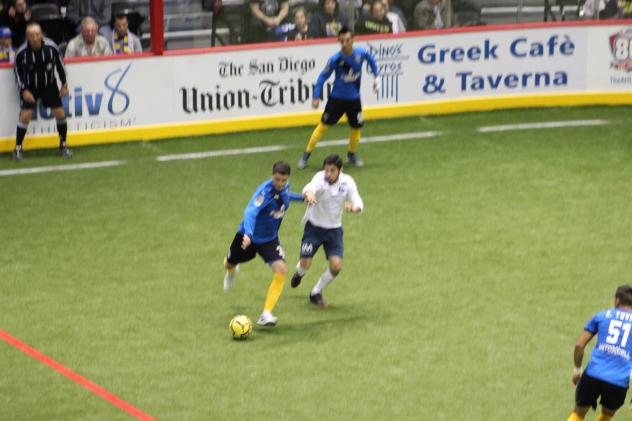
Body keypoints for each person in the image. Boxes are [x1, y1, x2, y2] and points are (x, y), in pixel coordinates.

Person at [223, 161, 304, 327]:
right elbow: (250, 212)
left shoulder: (285, 187)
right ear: (272, 175)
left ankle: (266, 314)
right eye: (277, 180)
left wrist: (303, 198)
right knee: (229, 262)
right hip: (247, 237)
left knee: (281, 269)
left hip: (269, 239)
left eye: (283, 180)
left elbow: (287, 195)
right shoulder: (264, 193)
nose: (280, 183)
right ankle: (232, 271)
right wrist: (248, 234)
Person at [297, 26, 380, 169]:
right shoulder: (335, 59)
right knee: (323, 126)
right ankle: (305, 156)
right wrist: (316, 96)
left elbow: (371, 61)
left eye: (347, 40)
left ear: (353, 40)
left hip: (354, 99)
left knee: (356, 128)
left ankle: (352, 154)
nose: (345, 44)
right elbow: (322, 77)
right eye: (342, 41)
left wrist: (376, 77)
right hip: (337, 99)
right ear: (338, 41)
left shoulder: (361, 53)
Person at [290, 154, 363, 307]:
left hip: (334, 231)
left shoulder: (348, 182)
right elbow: (310, 187)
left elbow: (357, 201)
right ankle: (299, 273)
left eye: (332, 171)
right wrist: (309, 194)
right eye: (326, 170)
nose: (328, 174)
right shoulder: (320, 178)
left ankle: (315, 292)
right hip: (314, 228)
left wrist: (354, 208)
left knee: (336, 266)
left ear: (340, 170)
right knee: (305, 264)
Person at [566, 285, 632, 421]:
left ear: (617, 301)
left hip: (593, 375)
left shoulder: (602, 315)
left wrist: (577, 369)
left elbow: (579, 345)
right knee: (607, 415)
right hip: (618, 382)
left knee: (578, 413)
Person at [12, 22, 71, 161]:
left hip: (49, 85)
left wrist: (64, 84)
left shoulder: (51, 48)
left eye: (37, 34)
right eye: (32, 35)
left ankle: (63, 145)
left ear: (42, 35)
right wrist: (23, 90)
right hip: (29, 87)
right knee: (25, 116)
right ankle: (18, 148)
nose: (35, 38)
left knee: (60, 113)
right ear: (27, 37)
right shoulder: (21, 53)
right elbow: (17, 73)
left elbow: (61, 67)